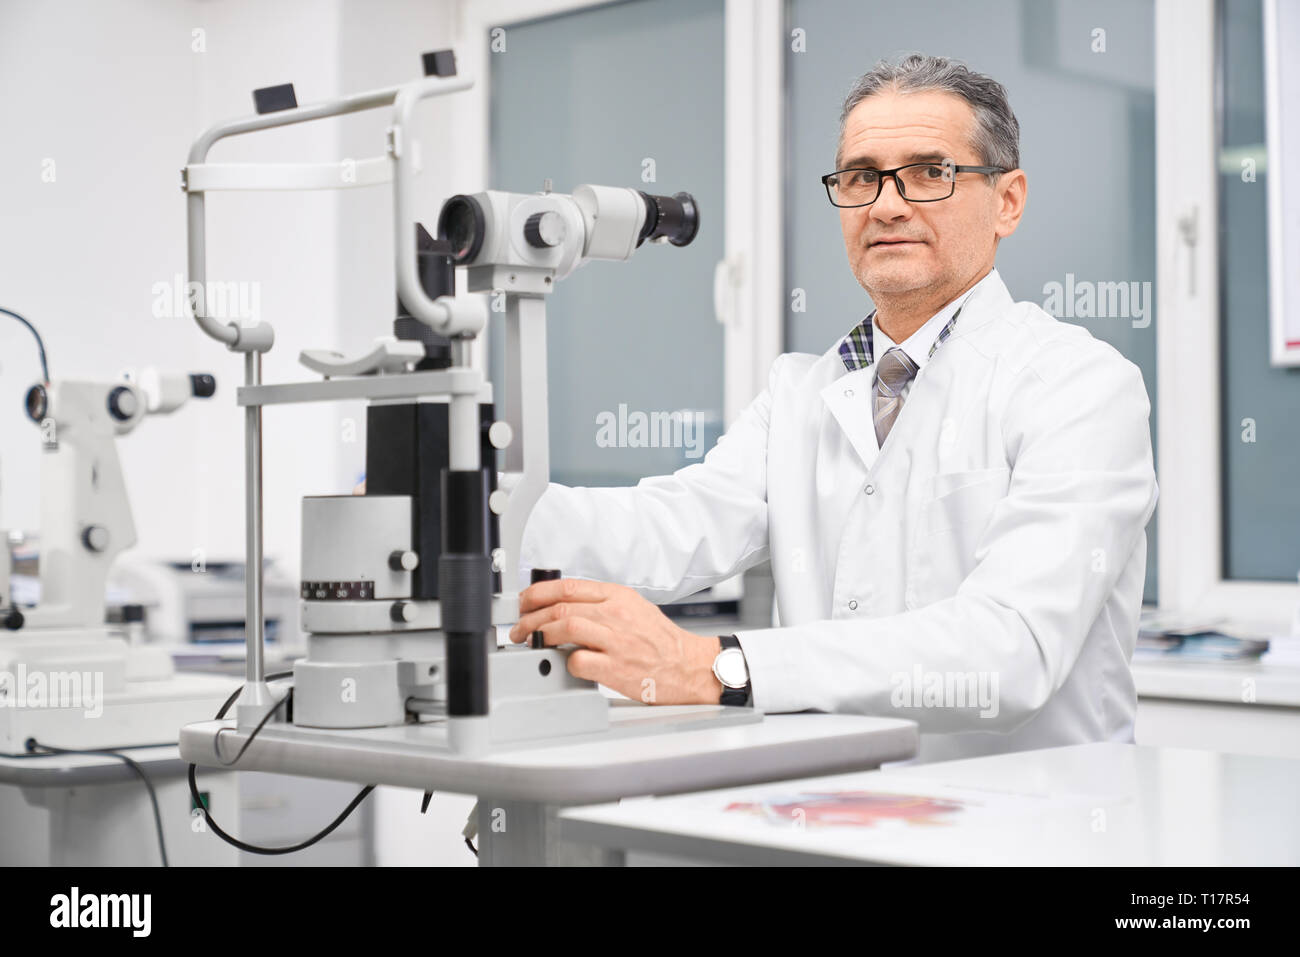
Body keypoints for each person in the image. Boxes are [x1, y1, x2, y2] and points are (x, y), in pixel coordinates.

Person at [510, 53, 1158, 762]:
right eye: (860, 177)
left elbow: (1010, 649)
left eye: (928, 171)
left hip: (1027, 829)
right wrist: (474, 513)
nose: (886, 204)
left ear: (1007, 200)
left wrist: (719, 666)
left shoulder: (1081, 385)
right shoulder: (802, 392)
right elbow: (678, 522)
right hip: (837, 811)